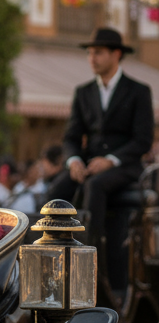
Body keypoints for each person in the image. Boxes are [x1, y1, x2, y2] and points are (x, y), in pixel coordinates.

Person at [48, 27, 155, 249]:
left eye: (98, 52)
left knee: (94, 186)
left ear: (116, 54)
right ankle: (51, 253)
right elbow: (71, 137)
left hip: (125, 166)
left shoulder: (138, 91)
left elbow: (143, 139)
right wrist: (74, 160)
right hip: (88, 163)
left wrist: (111, 160)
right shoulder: (83, 92)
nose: (91, 58)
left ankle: (91, 254)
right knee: (56, 190)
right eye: (89, 53)